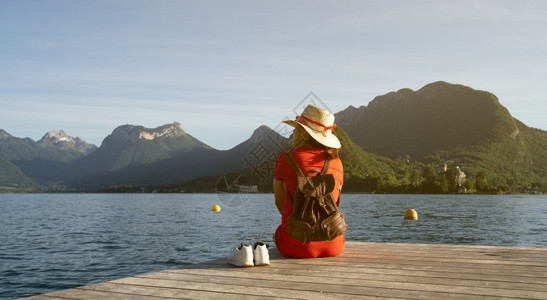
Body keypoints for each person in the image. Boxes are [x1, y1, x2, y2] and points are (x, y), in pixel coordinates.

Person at [273, 104, 345, 258]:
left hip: (295, 246)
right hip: (333, 244)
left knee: (279, 232)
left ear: (303, 133)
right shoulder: (337, 162)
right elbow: (335, 202)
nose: (293, 133)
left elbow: (279, 202)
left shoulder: (284, 159)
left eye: (296, 129)